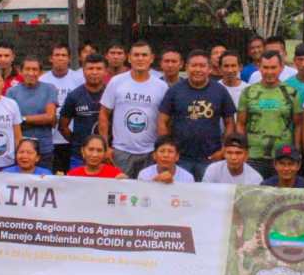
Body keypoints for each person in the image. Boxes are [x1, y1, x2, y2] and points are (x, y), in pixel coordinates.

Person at [157, 49, 236, 181]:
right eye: (194, 65)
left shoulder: (220, 90)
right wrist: (168, 150)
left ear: (209, 69)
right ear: (187, 67)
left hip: (210, 157)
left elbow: (230, 122)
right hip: (180, 158)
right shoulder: (175, 90)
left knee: (207, 196)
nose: (198, 69)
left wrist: (223, 150)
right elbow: (162, 121)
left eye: (202, 66)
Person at [99, 41, 169, 178]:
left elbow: (166, 121)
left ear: (152, 58)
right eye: (136, 55)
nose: (140, 58)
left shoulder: (161, 86)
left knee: (148, 194)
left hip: (150, 151)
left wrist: (161, 149)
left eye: (144, 55)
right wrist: (105, 146)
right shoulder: (116, 82)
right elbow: (103, 113)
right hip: (121, 151)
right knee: (121, 194)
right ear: (129, 58)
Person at [237, 51, 303, 179]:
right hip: (253, 156)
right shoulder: (248, 92)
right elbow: (240, 123)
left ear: (281, 68)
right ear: (259, 68)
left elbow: (298, 124)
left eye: (273, 67)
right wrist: (242, 150)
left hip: (283, 157)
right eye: (265, 67)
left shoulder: (291, 93)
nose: (269, 72)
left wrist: (296, 151)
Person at [8, 55, 58, 171]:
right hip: (20, 151)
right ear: (20, 71)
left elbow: (50, 117)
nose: (31, 73)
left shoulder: (49, 89)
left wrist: (22, 119)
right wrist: (38, 119)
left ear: (40, 72)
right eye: (27, 69)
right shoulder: (12, 92)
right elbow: (10, 121)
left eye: (35, 69)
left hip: (44, 149)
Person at [41, 43, 85, 174]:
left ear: (69, 58)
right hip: (50, 137)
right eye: (57, 55)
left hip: (71, 135)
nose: (60, 58)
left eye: (64, 55)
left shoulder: (79, 78)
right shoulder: (43, 79)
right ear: (50, 58)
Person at [60, 53, 107, 170]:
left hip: (107, 154)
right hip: (79, 156)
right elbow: (63, 126)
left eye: (99, 68)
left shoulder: (112, 93)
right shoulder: (74, 96)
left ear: (105, 71)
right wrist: (77, 141)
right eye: (90, 68)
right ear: (83, 71)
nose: (94, 72)